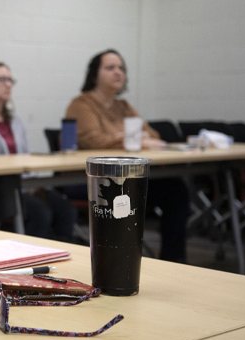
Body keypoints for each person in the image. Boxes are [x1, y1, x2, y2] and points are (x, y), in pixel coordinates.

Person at [65, 49, 189, 262]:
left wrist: (128, 138)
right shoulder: (81, 104)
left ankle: (173, 260)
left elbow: (153, 135)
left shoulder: (123, 106)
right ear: (95, 74)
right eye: (110, 67)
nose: (118, 73)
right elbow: (96, 142)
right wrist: (130, 139)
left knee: (176, 190)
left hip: (125, 177)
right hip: (91, 180)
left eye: (121, 68)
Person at [0, 62, 77, 241]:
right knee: (41, 213)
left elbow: (25, 157)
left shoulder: (15, 120)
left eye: (10, 80)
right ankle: (31, 261)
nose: (8, 84)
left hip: (25, 186)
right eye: (2, 79)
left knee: (66, 210)